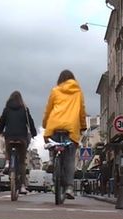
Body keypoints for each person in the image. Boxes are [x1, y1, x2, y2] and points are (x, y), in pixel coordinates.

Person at [42, 69, 87, 200]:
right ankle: (69, 187)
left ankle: (52, 160)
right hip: (71, 128)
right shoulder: (78, 92)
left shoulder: (55, 90)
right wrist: (83, 125)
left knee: (52, 146)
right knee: (69, 159)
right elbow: (81, 110)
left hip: (54, 125)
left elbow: (48, 109)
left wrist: (45, 124)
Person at [0, 91, 37, 195]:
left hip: (9, 136)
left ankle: (8, 164)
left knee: (9, 151)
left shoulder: (6, 110)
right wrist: (34, 133)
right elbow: (30, 123)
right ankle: (23, 186)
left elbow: (1, 122)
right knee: (22, 162)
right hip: (21, 138)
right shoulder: (24, 109)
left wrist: (0, 131)